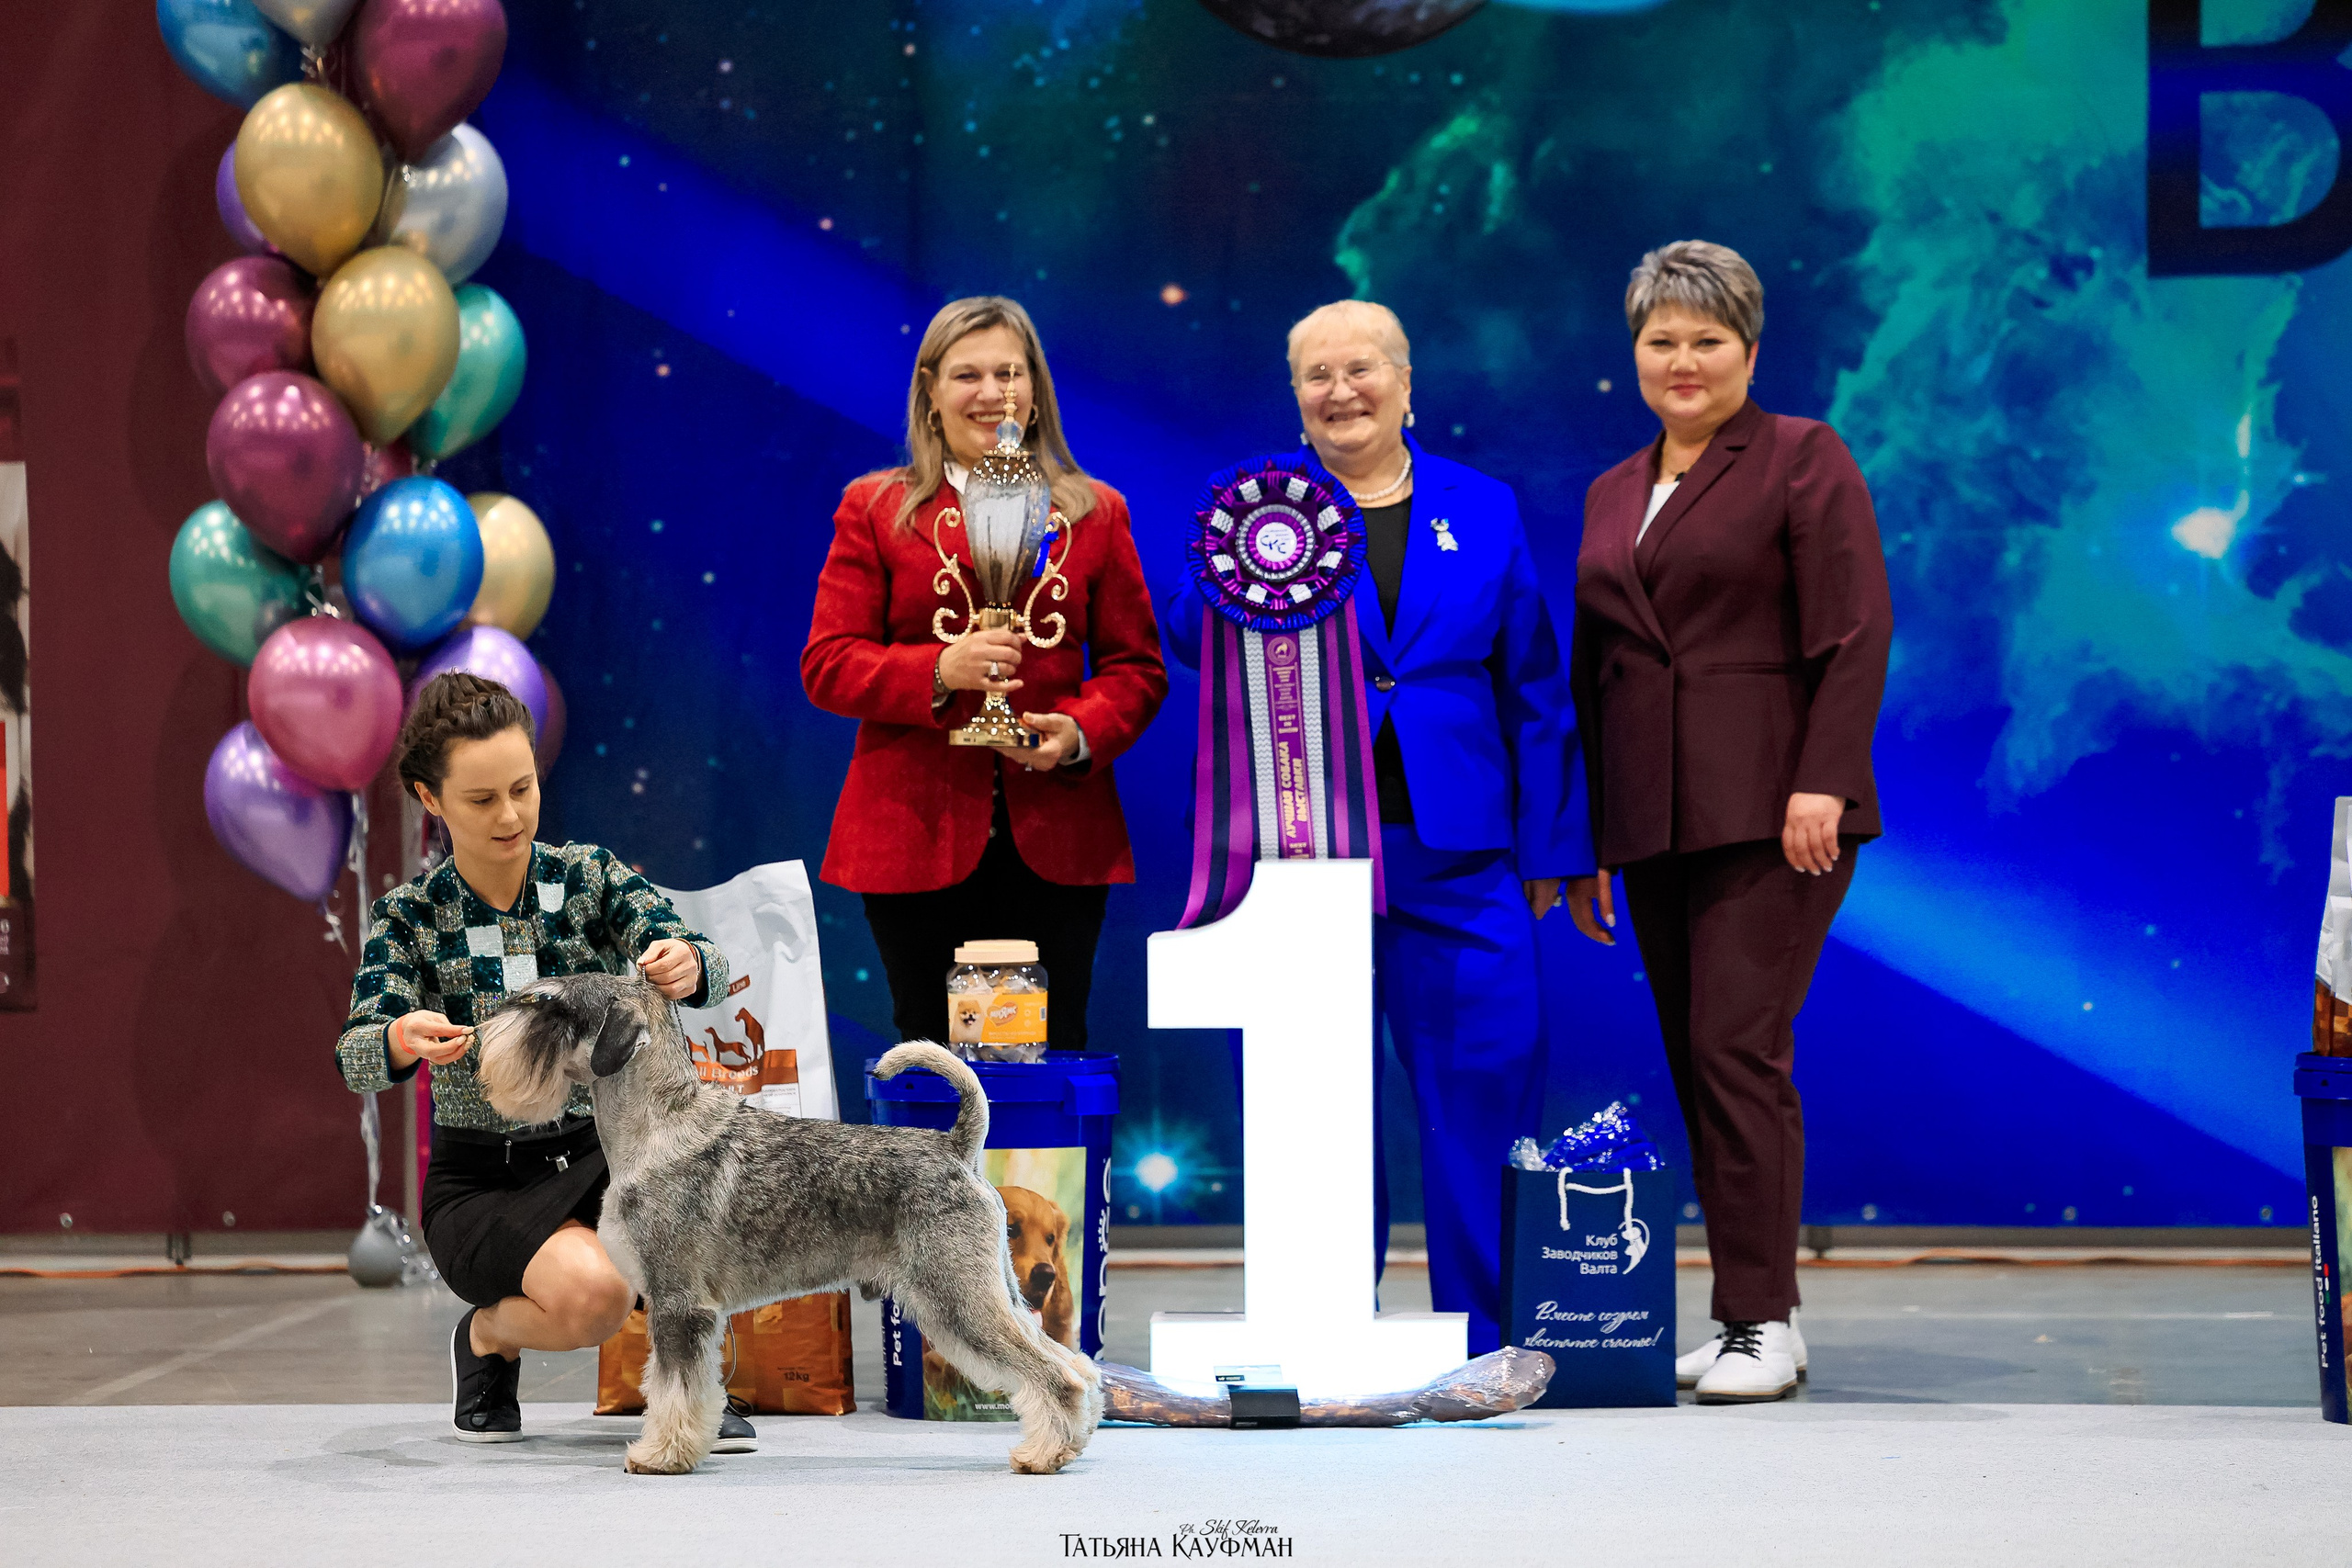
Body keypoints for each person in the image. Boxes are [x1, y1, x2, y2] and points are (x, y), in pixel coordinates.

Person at [1166, 299, 1600, 1355]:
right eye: (1316, 373)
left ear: (1407, 383)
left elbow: (1534, 687)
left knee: (1484, 1091)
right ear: (1295, 395)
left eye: (1361, 368)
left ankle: (1490, 1340)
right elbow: (1185, 637)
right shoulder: (1260, 507)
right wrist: (1229, 571)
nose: (1340, 389)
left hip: (1460, 857)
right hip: (1305, 853)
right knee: (1315, 1107)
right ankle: (1322, 1329)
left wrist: (1556, 850)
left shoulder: (1483, 507)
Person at [1567, 241, 1893, 1404]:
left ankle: (1759, 1316)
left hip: (1774, 812)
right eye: (1662, 339)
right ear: (1635, 352)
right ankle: (1760, 1314)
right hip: (1652, 821)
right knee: (1698, 1064)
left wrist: (1822, 778)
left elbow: (1854, 633)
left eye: (1707, 340)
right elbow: (1597, 666)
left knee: (1735, 1052)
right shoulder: (1614, 488)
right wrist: (1593, 837)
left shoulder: (1803, 458)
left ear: (1748, 351)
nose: (1683, 360)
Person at [334, 673, 755, 1450]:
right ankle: (488, 1340)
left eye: (523, 787)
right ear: (431, 800)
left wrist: (689, 962)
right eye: (482, 798)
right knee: (595, 1296)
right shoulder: (410, 916)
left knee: (699, 1199)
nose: (511, 815)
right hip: (485, 1181)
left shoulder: (588, 876)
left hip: (609, 1152)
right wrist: (396, 1039)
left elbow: (712, 961)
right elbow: (355, 1055)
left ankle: (689, 1382)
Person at [802, 296, 1166, 1052]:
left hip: (1059, 838)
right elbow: (828, 664)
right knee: (932, 1059)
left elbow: (1137, 667)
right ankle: (936, 1180)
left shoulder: (1096, 512)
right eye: (968, 374)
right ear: (931, 392)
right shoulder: (876, 508)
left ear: (1036, 389)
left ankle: (1038, 1181)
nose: (992, 391)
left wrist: (1078, 733)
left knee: (1049, 1050)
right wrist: (942, 667)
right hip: (913, 838)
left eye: (1010, 371)